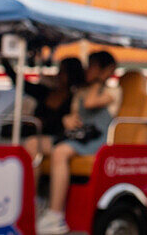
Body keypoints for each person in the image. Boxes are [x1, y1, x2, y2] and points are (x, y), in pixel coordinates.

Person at [36, 50, 118, 235]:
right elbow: (74, 114)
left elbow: (90, 103)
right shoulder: (80, 90)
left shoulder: (113, 91)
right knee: (33, 144)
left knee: (60, 152)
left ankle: (55, 216)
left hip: (97, 141)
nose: (88, 70)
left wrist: (100, 80)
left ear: (106, 70)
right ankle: (33, 201)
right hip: (77, 137)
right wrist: (68, 120)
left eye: (94, 67)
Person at [2, 56, 84, 161]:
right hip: (33, 131)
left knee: (33, 144)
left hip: (52, 138)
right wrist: (5, 61)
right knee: (7, 130)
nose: (59, 75)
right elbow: (20, 82)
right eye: (59, 71)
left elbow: (68, 125)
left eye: (63, 72)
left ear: (72, 75)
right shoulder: (45, 92)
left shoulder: (74, 100)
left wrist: (43, 122)